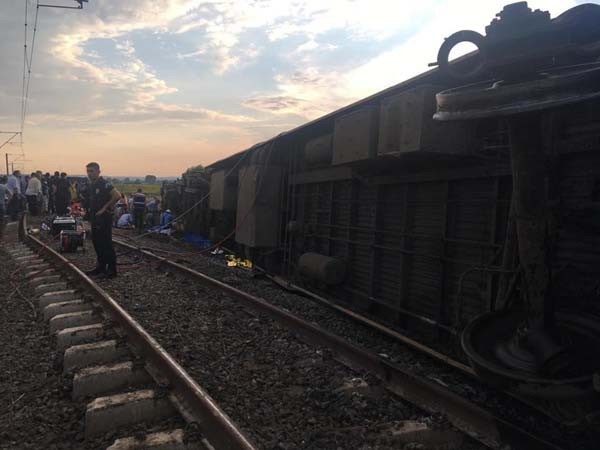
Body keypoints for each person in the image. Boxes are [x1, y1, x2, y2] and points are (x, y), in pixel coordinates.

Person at [85, 162, 120, 278]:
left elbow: (117, 195)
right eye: (88, 171)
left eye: (92, 171)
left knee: (106, 243)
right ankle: (100, 267)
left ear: (98, 171)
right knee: (97, 242)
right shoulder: (92, 185)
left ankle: (111, 270)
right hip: (95, 218)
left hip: (104, 218)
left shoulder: (104, 183)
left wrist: (104, 208)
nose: (89, 174)